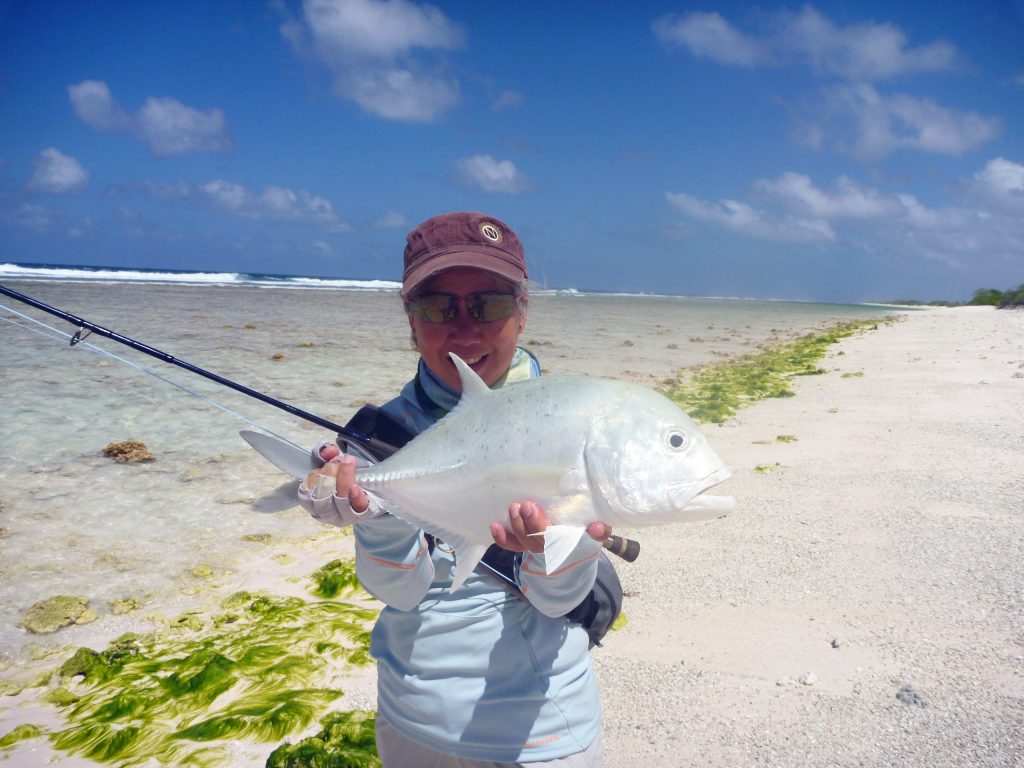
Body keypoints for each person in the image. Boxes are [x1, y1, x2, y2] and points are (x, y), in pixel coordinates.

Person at [298, 211, 611, 767]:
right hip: (410, 723)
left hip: (541, 735)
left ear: (521, 310)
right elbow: (400, 592)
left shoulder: (571, 424)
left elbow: (559, 599)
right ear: (410, 317)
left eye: (487, 304)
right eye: (439, 307)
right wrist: (378, 517)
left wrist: (548, 554)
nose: (464, 329)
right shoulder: (377, 436)